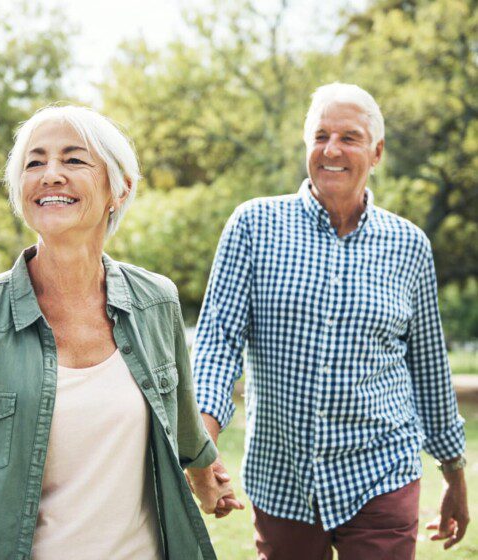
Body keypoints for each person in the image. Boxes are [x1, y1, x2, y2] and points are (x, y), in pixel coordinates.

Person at [0, 105, 237, 559]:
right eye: (34, 162)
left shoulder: (157, 301)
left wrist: (203, 472)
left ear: (119, 188)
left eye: (74, 160)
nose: (51, 174)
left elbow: (180, 420)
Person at [193, 83, 469, 559]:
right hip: (282, 476)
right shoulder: (252, 226)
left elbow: (428, 370)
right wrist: (205, 447)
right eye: (321, 135)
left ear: (377, 152)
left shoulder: (409, 246)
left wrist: (454, 474)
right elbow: (217, 342)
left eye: (350, 137)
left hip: (383, 470)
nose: (332, 149)